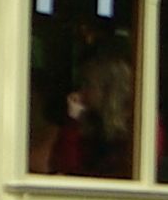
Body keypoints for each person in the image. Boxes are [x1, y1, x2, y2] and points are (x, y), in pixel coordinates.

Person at [42, 45, 135, 178]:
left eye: (89, 85)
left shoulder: (137, 126)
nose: (82, 91)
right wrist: (73, 120)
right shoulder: (91, 122)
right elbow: (64, 165)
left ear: (107, 90)